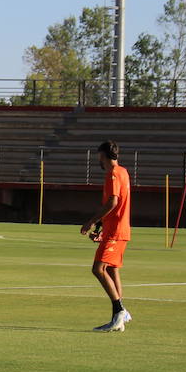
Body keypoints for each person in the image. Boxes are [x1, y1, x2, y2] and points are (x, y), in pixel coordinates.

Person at [81, 140, 132, 332]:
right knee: (111, 270)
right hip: (118, 229)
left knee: (98, 268)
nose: (98, 160)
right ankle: (119, 316)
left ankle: (119, 310)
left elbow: (113, 202)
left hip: (116, 230)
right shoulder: (123, 171)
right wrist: (101, 226)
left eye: (99, 156)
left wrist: (92, 221)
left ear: (103, 156)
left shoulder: (113, 174)